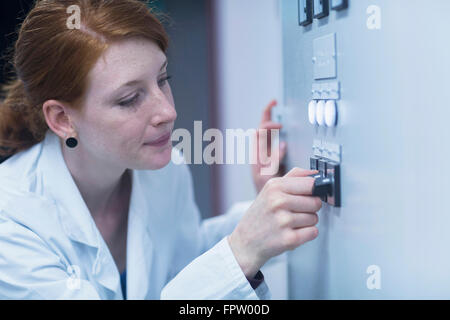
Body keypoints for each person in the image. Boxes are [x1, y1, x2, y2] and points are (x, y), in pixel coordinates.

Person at [0, 0, 321, 300]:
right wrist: (240, 252)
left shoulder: (164, 171)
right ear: (62, 118)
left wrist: (265, 209)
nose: (167, 111)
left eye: (163, 79)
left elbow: (184, 260)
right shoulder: (11, 219)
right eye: (129, 99)